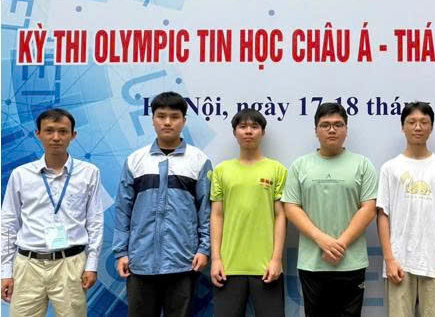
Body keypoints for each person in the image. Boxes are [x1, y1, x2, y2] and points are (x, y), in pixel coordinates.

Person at [112, 91, 212, 317]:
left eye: (174, 117)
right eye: (161, 116)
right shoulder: (136, 160)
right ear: (153, 120)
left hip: (183, 260)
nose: (167, 122)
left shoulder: (199, 160)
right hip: (140, 260)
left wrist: (204, 249)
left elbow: (205, 210)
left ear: (184, 121)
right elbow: (123, 210)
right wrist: (121, 252)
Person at [1, 108, 103, 316]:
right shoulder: (21, 175)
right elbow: (9, 224)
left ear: (73, 135)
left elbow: (95, 221)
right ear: (38, 134)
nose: (56, 137)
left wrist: (91, 265)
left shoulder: (89, 173)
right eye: (49, 131)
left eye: (63, 131)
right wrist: (5, 271)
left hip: (71, 264)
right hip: (28, 264)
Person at [281, 102, 377, 317]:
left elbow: (369, 208)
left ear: (346, 129)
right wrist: (321, 239)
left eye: (338, 125)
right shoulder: (300, 165)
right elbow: (291, 207)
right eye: (325, 125)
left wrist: (340, 244)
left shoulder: (362, 164)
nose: (332, 130)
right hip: (313, 263)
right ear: (315, 130)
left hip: (351, 263)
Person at [376, 102, 435, 317]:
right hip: (399, 264)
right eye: (411, 122)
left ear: (431, 127)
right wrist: (389, 259)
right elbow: (383, 215)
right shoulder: (390, 168)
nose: (418, 127)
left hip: (434, 264)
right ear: (402, 127)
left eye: (424, 122)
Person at [210, 109, 287, 317]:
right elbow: (217, 215)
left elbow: (281, 216)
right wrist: (216, 259)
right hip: (228, 267)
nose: (248, 131)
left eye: (254, 126)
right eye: (243, 127)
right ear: (234, 132)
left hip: (266, 268)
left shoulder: (277, 169)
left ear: (263, 132)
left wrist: (276, 259)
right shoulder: (221, 170)